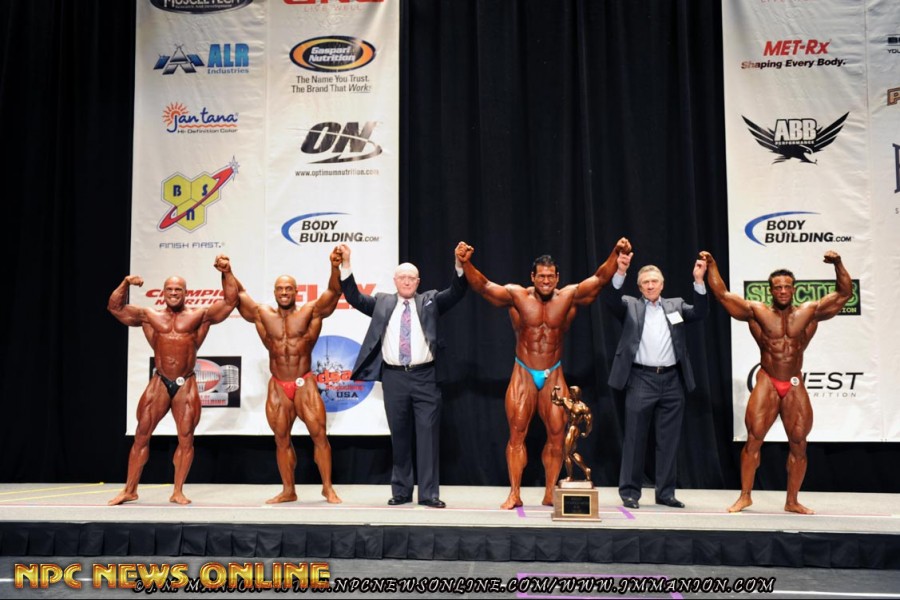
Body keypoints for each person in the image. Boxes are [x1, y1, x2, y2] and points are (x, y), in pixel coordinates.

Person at [457, 238, 631, 509]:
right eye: (541, 276)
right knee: (517, 434)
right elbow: (484, 287)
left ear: (557, 277)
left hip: (553, 373)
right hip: (524, 372)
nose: (546, 280)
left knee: (558, 435)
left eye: (550, 276)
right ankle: (515, 493)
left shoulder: (568, 296)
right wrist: (465, 263)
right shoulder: (517, 296)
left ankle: (550, 492)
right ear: (532, 277)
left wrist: (615, 252)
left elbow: (599, 280)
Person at [701, 250, 852, 515]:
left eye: (787, 286)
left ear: (794, 289)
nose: (782, 290)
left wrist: (838, 264)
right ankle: (745, 496)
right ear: (770, 290)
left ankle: (792, 501)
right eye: (777, 287)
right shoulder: (756, 311)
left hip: (793, 382)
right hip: (768, 381)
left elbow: (843, 294)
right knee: (754, 439)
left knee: (799, 442)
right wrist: (712, 265)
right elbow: (722, 295)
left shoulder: (810, 312)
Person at [338, 243, 468, 508]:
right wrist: (346, 264)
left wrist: (459, 264)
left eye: (412, 278)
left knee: (428, 437)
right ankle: (401, 491)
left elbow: (456, 291)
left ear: (418, 282)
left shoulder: (430, 300)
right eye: (402, 277)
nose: (407, 281)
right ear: (395, 281)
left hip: (426, 378)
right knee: (399, 435)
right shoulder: (382, 302)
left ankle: (429, 494)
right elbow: (353, 297)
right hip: (394, 378)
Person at [106, 255, 238, 506]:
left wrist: (227, 272)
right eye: (170, 289)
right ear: (163, 292)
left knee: (186, 437)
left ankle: (178, 491)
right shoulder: (149, 316)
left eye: (178, 289)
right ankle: (130, 490)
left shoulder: (199, 316)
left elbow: (230, 301)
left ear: (186, 293)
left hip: (185, 382)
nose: (174, 293)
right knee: (141, 434)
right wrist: (125, 283)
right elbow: (115, 308)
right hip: (160, 381)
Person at [234, 247, 344, 505]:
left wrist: (334, 267)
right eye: (280, 289)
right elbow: (237, 295)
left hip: (304, 382)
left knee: (319, 436)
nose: (284, 292)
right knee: (281, 439)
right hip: (278, 385)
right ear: (275, 292)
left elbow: (333, 293)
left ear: (296, 292)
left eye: (288, 289)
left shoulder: (310, 312)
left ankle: (327, 488)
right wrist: (228, 272)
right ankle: (288, 490)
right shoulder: (263, 314)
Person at [602, 252, 708, 510]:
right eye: (645, 282)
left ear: (662, 284)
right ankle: (630, 493)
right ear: (639, 287)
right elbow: (612, 300)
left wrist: (699, 280)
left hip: (672, 380)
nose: (650, 286)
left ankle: (666, 493)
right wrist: (620, 272)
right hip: (641, 378)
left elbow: (700, 312)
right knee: (635, 439)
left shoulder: (676, 305)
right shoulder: (630, 305)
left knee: (669, 440)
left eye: (654, 281)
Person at [551, 385, 593, 483]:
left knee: (566, 454)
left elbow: (589, 421)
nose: (570, 394)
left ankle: (570, 477)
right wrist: (554, 390)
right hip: (569, 428)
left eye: (572, 393)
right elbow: (554, 400)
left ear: (576, 394)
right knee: (571, 453)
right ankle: (586, 470)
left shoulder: (583, 407)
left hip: (574, 429)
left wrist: (587, 432)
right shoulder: (567, 401)